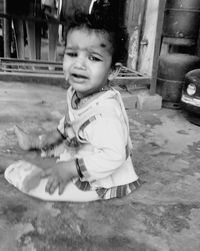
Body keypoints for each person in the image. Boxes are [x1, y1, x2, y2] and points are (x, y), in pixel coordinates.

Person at [4, 12, 140, 202]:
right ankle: (38, 142)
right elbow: (73, 118)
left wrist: (71, 169)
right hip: (82, 147)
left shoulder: (106, 115)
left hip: (102, 174)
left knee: (43, 187)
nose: (79, 64)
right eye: (73, 54)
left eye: (93, 58)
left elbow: (114, 156)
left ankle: (17, 167)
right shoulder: (78, 92)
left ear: (113, 71)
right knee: (58, 146)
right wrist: (58, 135)